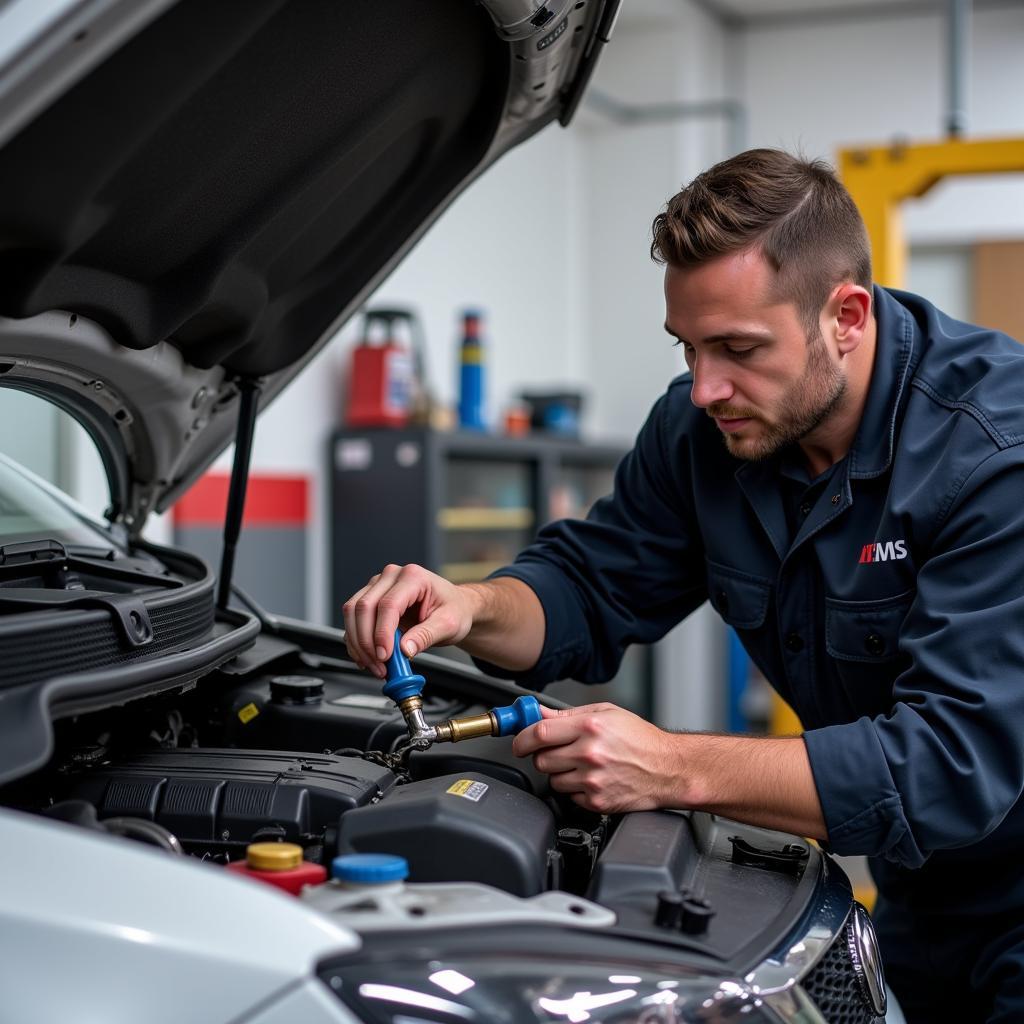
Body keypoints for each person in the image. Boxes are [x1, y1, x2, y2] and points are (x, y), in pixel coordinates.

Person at [342, 148, 1024, 1022]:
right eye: (689, 348)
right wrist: (471, 606)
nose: (705, 388)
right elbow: (587, 588)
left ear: (846, 315)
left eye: (738, 349)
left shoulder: (993, 454)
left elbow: (948, 765)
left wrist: (670, 764)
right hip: (922, 889)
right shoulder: (704, 430)